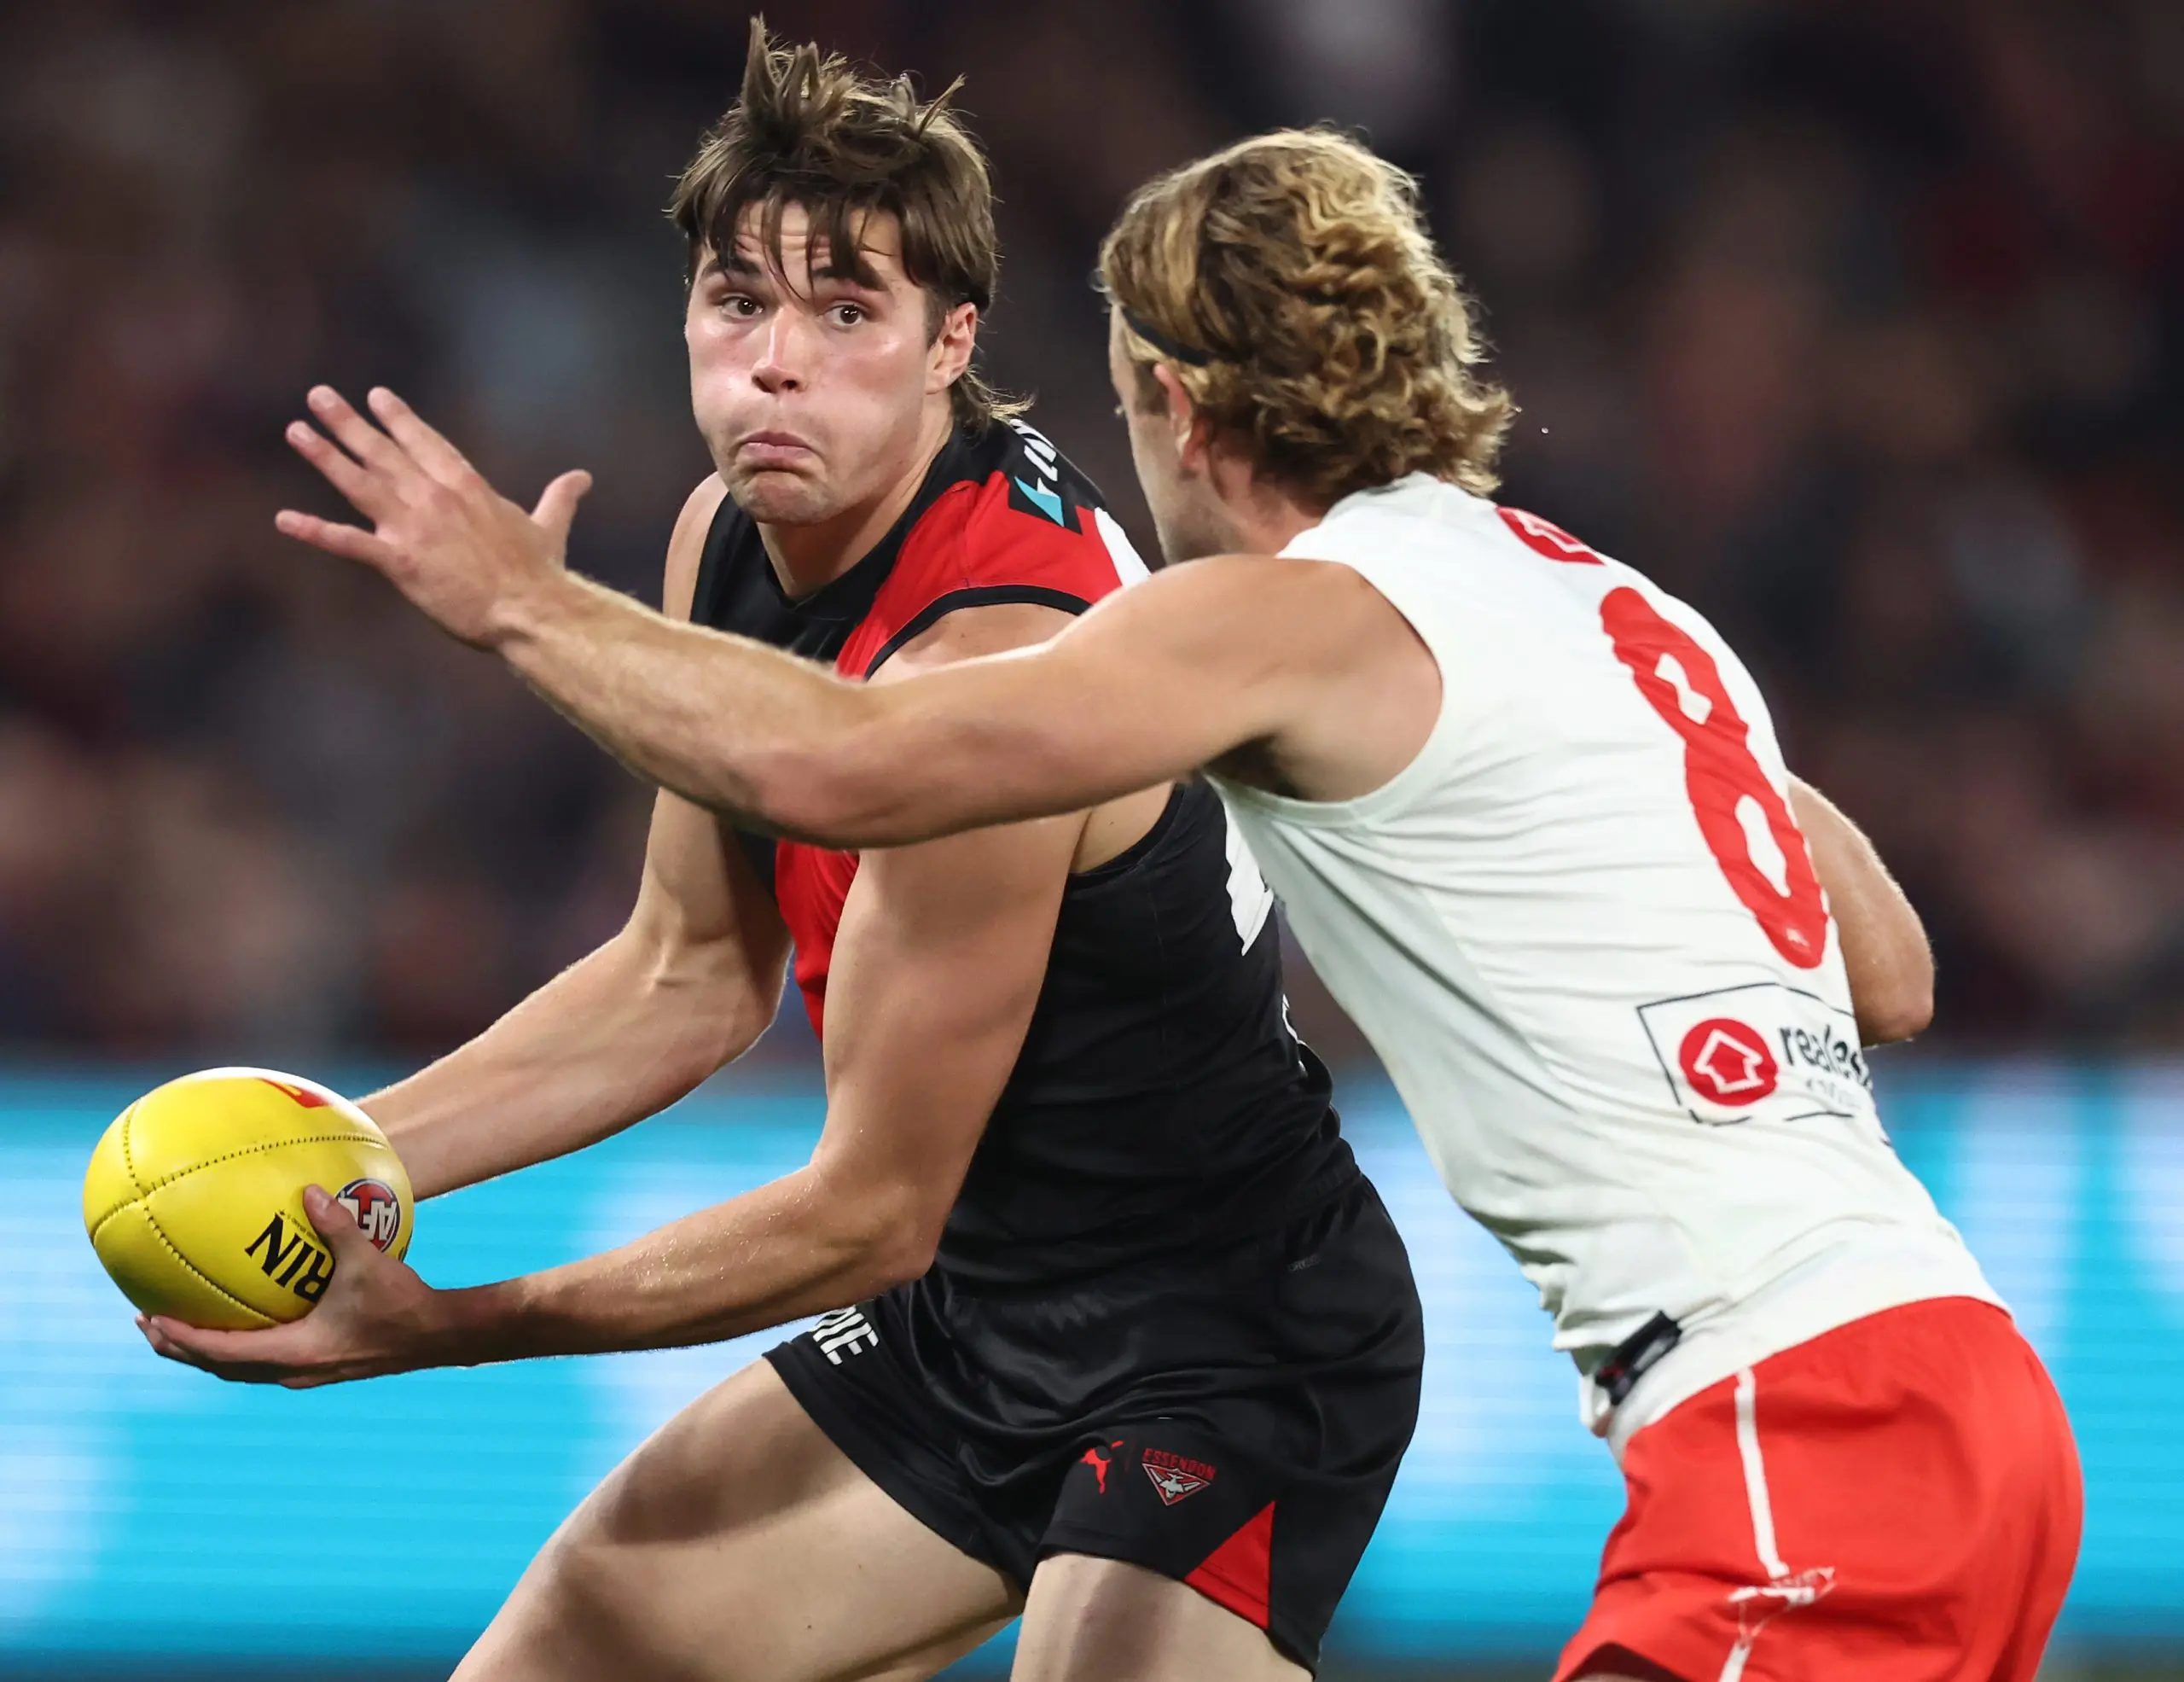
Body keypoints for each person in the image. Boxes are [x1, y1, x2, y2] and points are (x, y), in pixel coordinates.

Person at [260, 122, 2086, 1682]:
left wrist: (521, 604)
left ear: (1171, 400)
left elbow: (851, 766)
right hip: (1959, 1394)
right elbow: (1891, 972)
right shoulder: (1607, 608)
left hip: (1789, 1432)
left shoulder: (1266, 619)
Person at [142, 48, 1428, 1682]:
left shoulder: (991, 666)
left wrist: (456, 1326)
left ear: (953, 345)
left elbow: (868, 1213)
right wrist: (330, 1158)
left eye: (844, 315)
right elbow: (690, 976)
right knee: (578, 1642)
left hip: (1227, 1345)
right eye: (737, 303)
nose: (774, 367)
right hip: (977, 1315)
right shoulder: (727, 541)